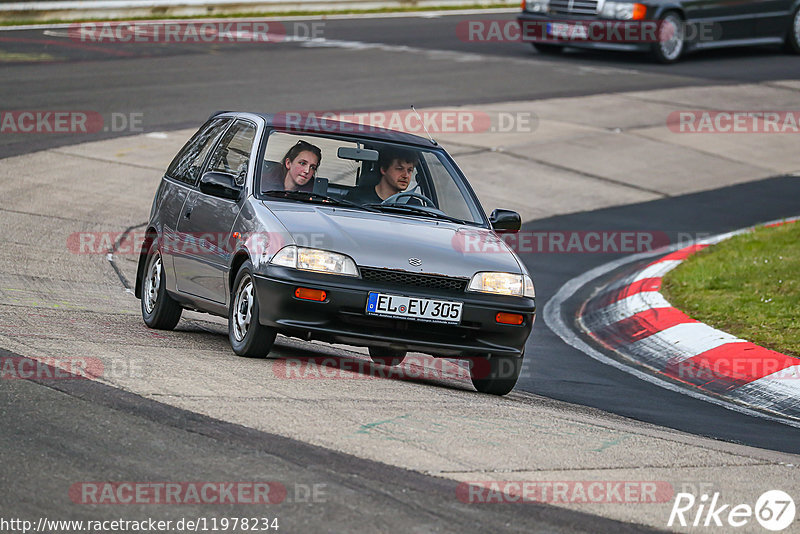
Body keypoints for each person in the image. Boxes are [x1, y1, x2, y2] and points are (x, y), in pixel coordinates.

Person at [346, 148, 419, 204]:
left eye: (409, 170)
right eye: (399, 169)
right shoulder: (357, 197)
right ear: (384, 170)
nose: (406, 175)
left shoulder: (413, 205)